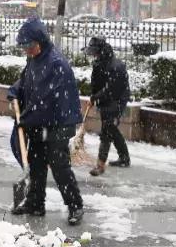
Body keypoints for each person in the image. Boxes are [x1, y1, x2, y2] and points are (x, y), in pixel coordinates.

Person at [7, 16, 84, 226]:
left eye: (29, 46)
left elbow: (45, 100)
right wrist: (14, 92)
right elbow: (24, 81)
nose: (27, 51)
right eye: (24, 47)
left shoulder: (55, 64)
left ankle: (75, 205)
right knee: (36, 162)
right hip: (39, 122)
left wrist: (25, 119)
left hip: (59, 122)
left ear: (39, 42)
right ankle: (35, 203)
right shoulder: (34, 60)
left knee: (59, 165)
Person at [83, 35, 131, 176]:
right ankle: (124, 157)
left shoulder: (116, 66)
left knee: (107, 131)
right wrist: (93, 97)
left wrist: (96, 97)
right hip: (105, 100)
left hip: (117, 100)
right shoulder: (100, 63)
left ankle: (100, 164)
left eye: (95, 53)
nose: (93, 56)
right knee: (112, 129)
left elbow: (111, 89)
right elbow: (96, 83)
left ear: (101, 51)